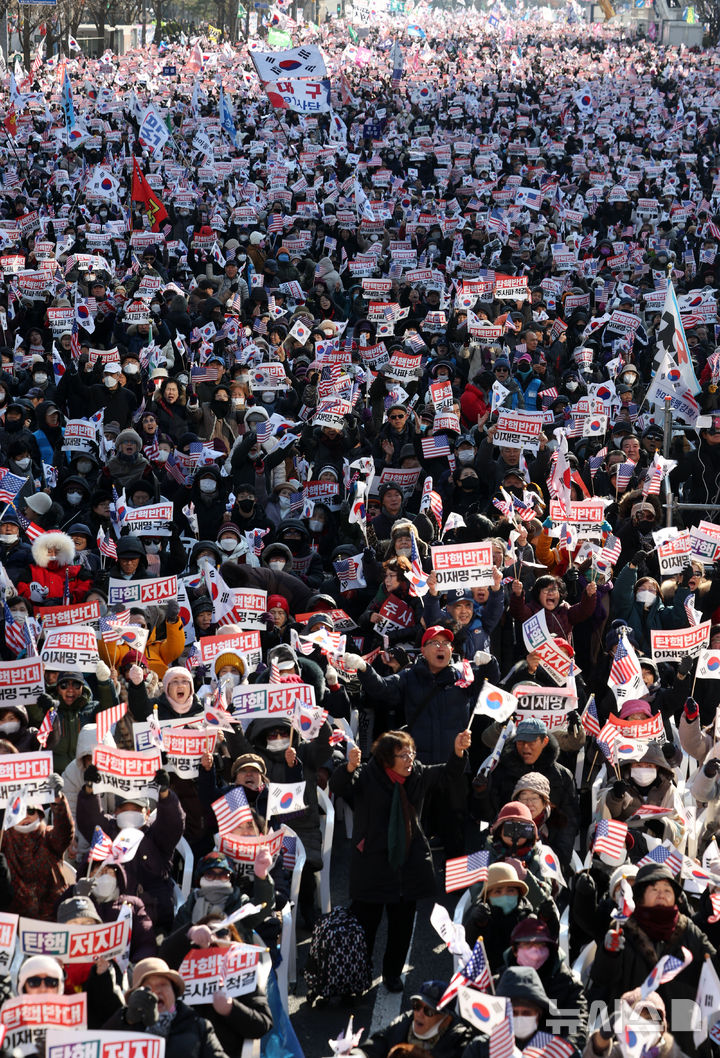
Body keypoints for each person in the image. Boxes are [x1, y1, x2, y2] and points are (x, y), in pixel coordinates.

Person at [329, 727, 471, 992]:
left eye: (411, 753)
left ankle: (392, 974)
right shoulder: (369, 774)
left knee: (402, 925)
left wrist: (458, 750)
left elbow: (448, 773)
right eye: (402, 754)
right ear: (386, 758)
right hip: (371, 861)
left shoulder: (416, 773)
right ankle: (358, 974)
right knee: (365, 925)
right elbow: (339, 786)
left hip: (408, 861)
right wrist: (349, 767)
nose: (409, 758)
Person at [102, 957, 228, 1058]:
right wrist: (127, 1019)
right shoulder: (125, 1024)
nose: (156, 991)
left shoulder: (198, 1026)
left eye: (163, 985)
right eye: (147, 987)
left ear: (174, 991)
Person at [350, 980, 475, 1057]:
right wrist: (357, 1055)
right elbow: (378, 1043)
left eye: (429, 1011)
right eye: (417, 1005)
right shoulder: (405, 1022)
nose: (419, 1013)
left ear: (446, 1019)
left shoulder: (462, 1044)